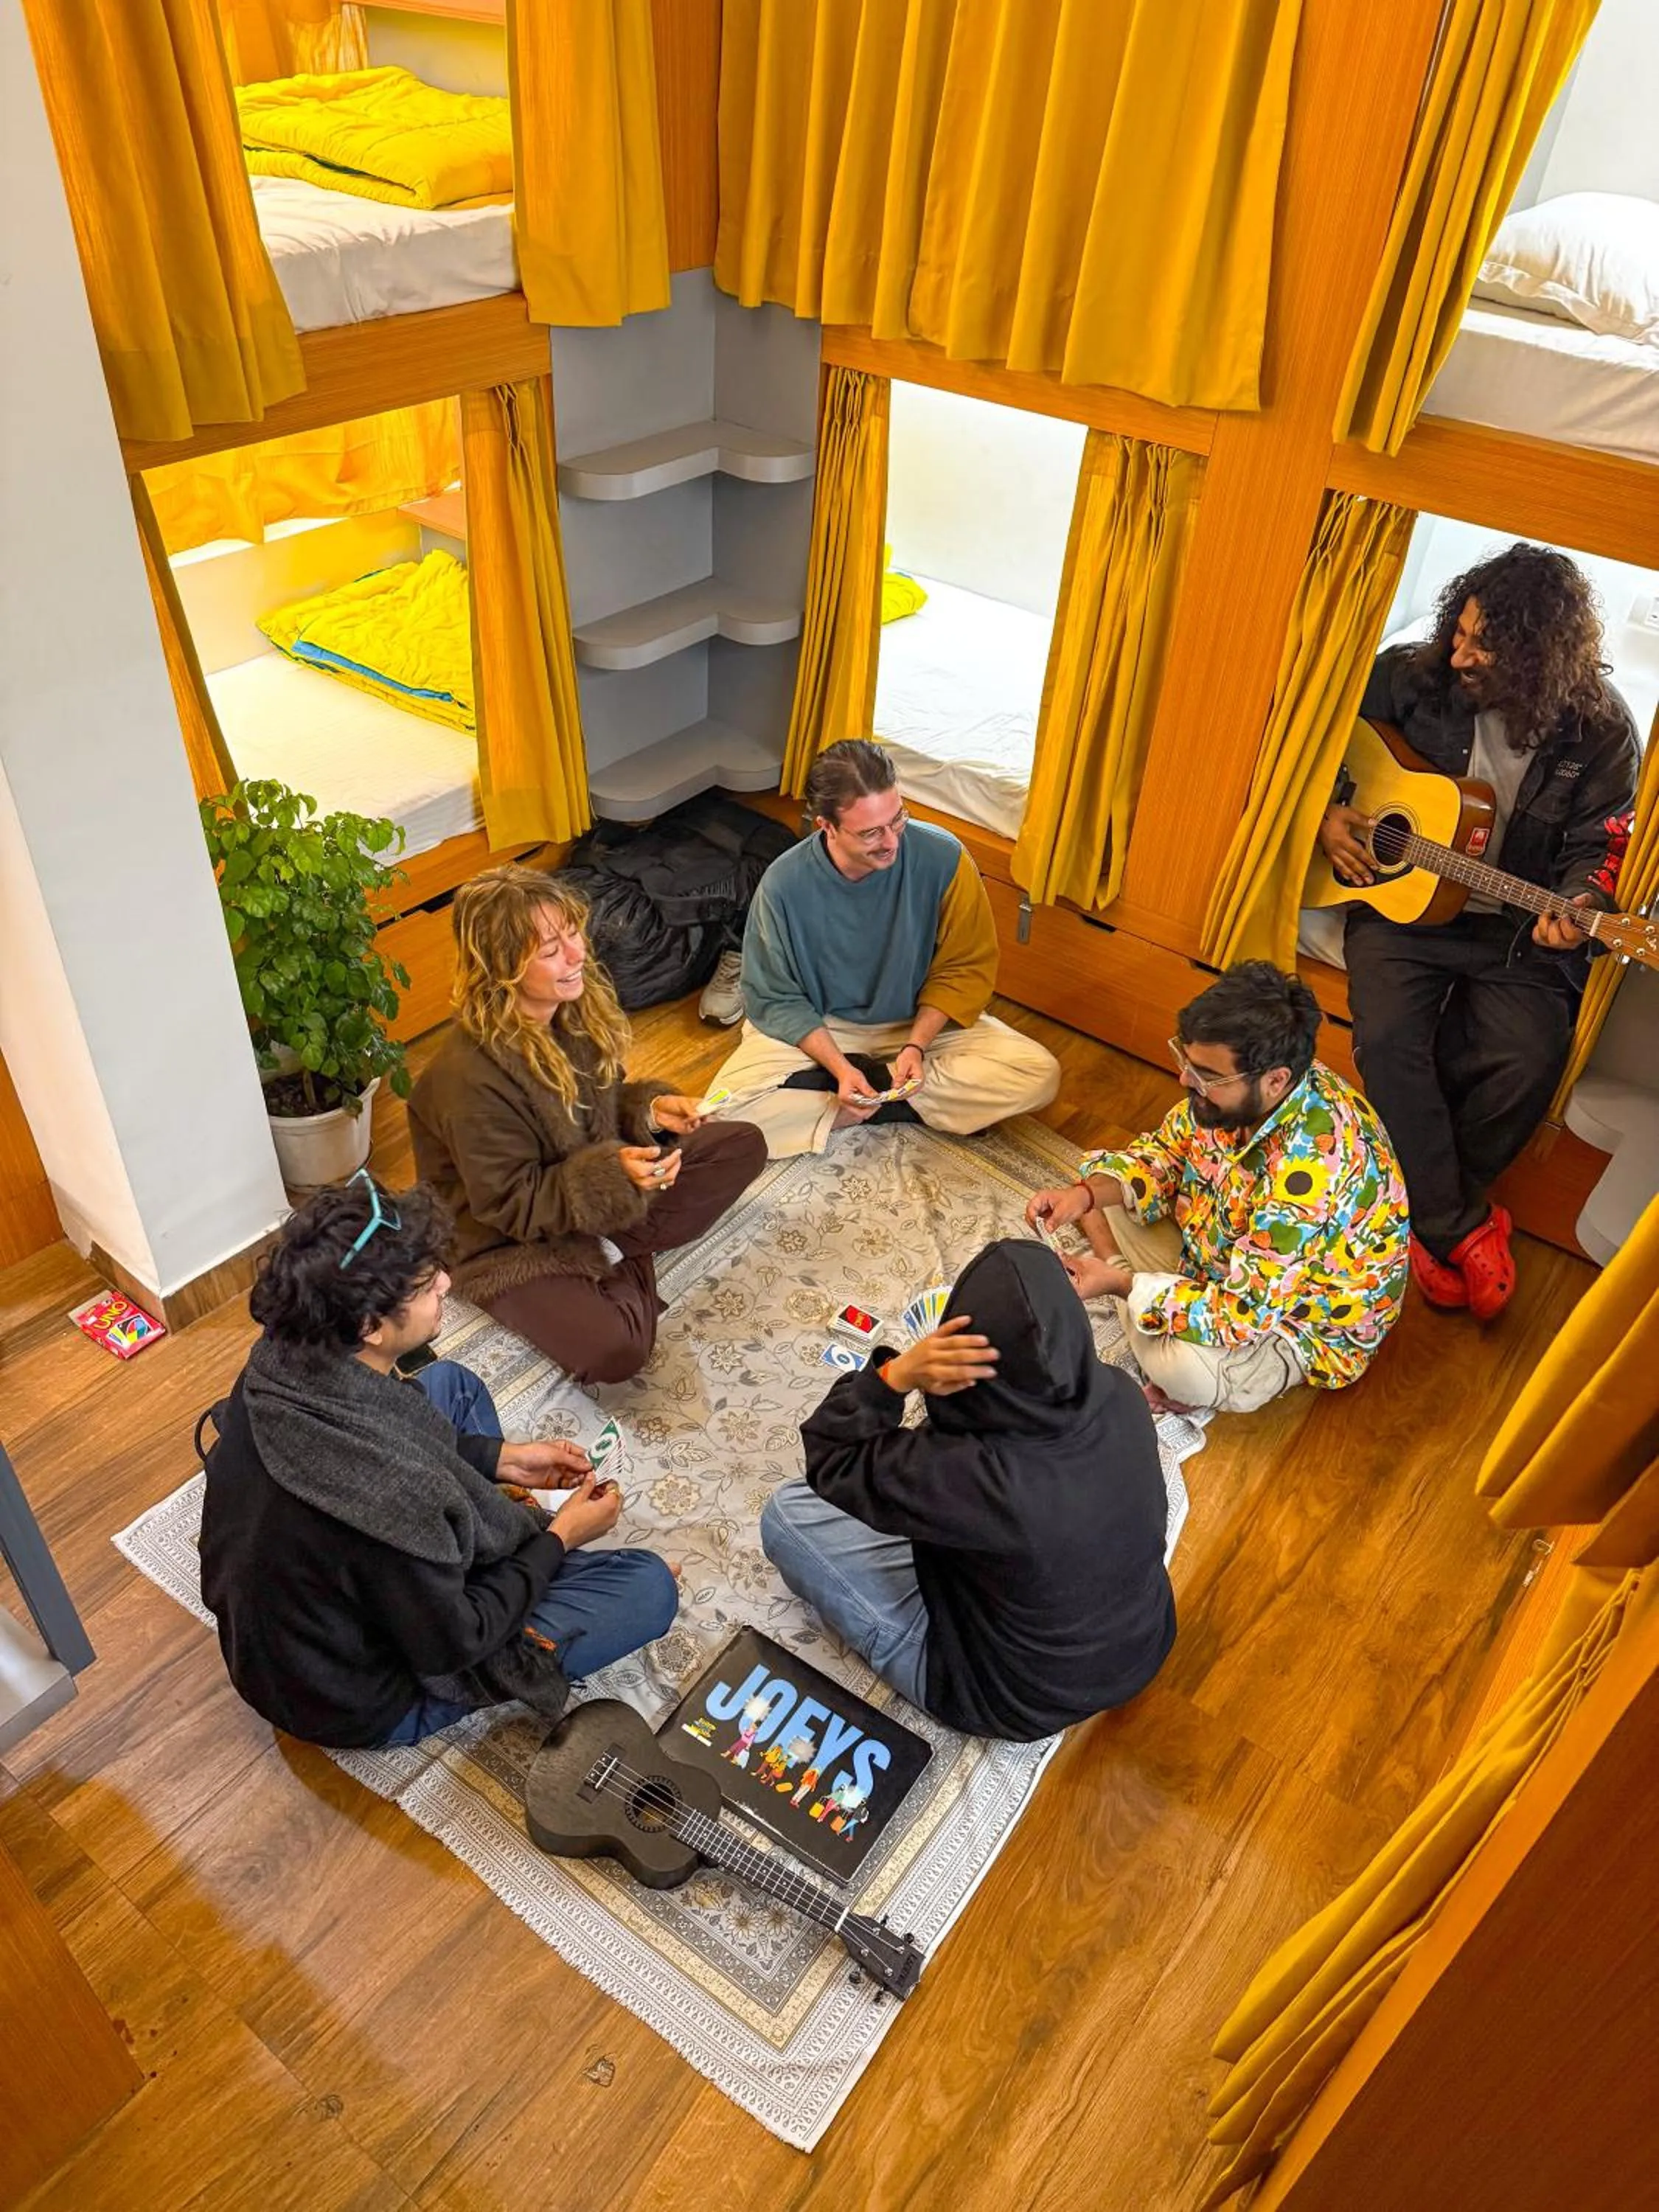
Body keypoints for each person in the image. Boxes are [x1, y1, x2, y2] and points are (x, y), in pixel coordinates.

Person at [198, 1175, 679, 1751]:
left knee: (454, 1386)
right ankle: (534, 1555)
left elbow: (401, 1439)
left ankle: (490, 1530)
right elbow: (457, 1642)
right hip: (356, 1699)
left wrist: (502, 1459)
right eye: (427, 1286)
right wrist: (560, 1539)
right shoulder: (387, 1494)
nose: (448, 1283)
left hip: (318, 1615)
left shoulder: (278, 1358)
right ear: (368, 1327)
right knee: (646, 1587)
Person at [1319, 545, 1638, 1319]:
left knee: (1527, 1060)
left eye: (1481, 647)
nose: (1457, 652)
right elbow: (1316, 745)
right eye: (1458, 631)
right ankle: (1455, 1226)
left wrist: (1578, 909)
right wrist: (1326, 814)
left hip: (1515, 932)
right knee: (1390, 1037)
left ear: (1537, 659)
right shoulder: (1411, 675)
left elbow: (1602, 849)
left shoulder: (1602, 734)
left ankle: (1422, 1219)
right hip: (1401, 907)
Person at [759, 1239, 1175, 1742]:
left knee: (788, 1514)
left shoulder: (973, 1477)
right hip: (1143, 1645)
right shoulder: (1121, 1394)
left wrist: (894, 1376)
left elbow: (832, 1455)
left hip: (1010, 1699)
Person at [408, 865, 767, 1382]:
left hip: (590, 1195)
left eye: (572, 932)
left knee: (741, 1145)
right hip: (506, 1243)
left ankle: (620, 1245)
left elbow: (598, 1103)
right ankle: (626, 1253)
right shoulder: (469, 1078)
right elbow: (511, 1203)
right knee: (615, 1350)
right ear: (503, 966)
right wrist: (616, 1176)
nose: (578, 955)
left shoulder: (571, 1012)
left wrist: (649, 1112)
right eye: (551, 950)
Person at [1028, 962, 1407, 1415]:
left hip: (1291, 1319)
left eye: (1205, 1073)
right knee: (1099, 1183)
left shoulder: (1312, 1174)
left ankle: (1118, 1274)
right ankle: (1139, 1284)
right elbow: (1166, 1154)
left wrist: (1122, 1283)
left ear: (1276, 1080)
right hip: (1219, 1250)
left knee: (1184, 1371)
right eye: (1185, 1061)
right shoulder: (1247, 1090)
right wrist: (1085, 1198)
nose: (1185, 1080)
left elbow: (1243, 1314)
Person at [707, 740, 1060, 1157]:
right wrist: (839, 1065)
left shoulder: (945, 859)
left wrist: (917, 1047)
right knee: (718, 1118)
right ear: (826, 826)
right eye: (872, 832)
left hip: (915, 1026)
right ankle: (872, 1096)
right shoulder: (783, 884)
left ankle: (844, 1101)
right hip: (822, 1027)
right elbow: (775, 996)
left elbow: (965, 967)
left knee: (1038, 1073)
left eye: (898, 819)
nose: (891, 841)